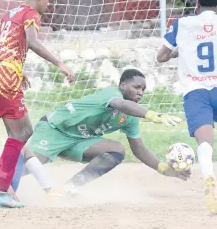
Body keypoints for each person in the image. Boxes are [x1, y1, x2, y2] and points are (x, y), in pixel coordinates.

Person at [26, 68, 190, 198]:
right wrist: (152, 115)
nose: (140, 92)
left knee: (117, 150)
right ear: (122, 86)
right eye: (136, 87)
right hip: (54, 129)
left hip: (79, 141)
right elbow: (120, 104)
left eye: (143, 89)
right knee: (30, 165)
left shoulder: (131, 117)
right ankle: (1, 183)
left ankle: (69, 188)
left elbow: (139, 148)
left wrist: (163, 168)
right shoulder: (111, 94)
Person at [0, 0, 73, 208]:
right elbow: (32, 42)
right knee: (21, 134)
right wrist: (60, 64)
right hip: (7, 78)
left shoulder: (9, 14)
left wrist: (9, 67)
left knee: (21, 133)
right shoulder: (31, 14)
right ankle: (1, 190)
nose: (48, 5)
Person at [157, 0, 217, 214]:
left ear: (197, 4)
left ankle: (209, 177)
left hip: (196, 90)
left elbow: (161, 56)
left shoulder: (182, 24)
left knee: (205, 142)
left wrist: (179, 51)